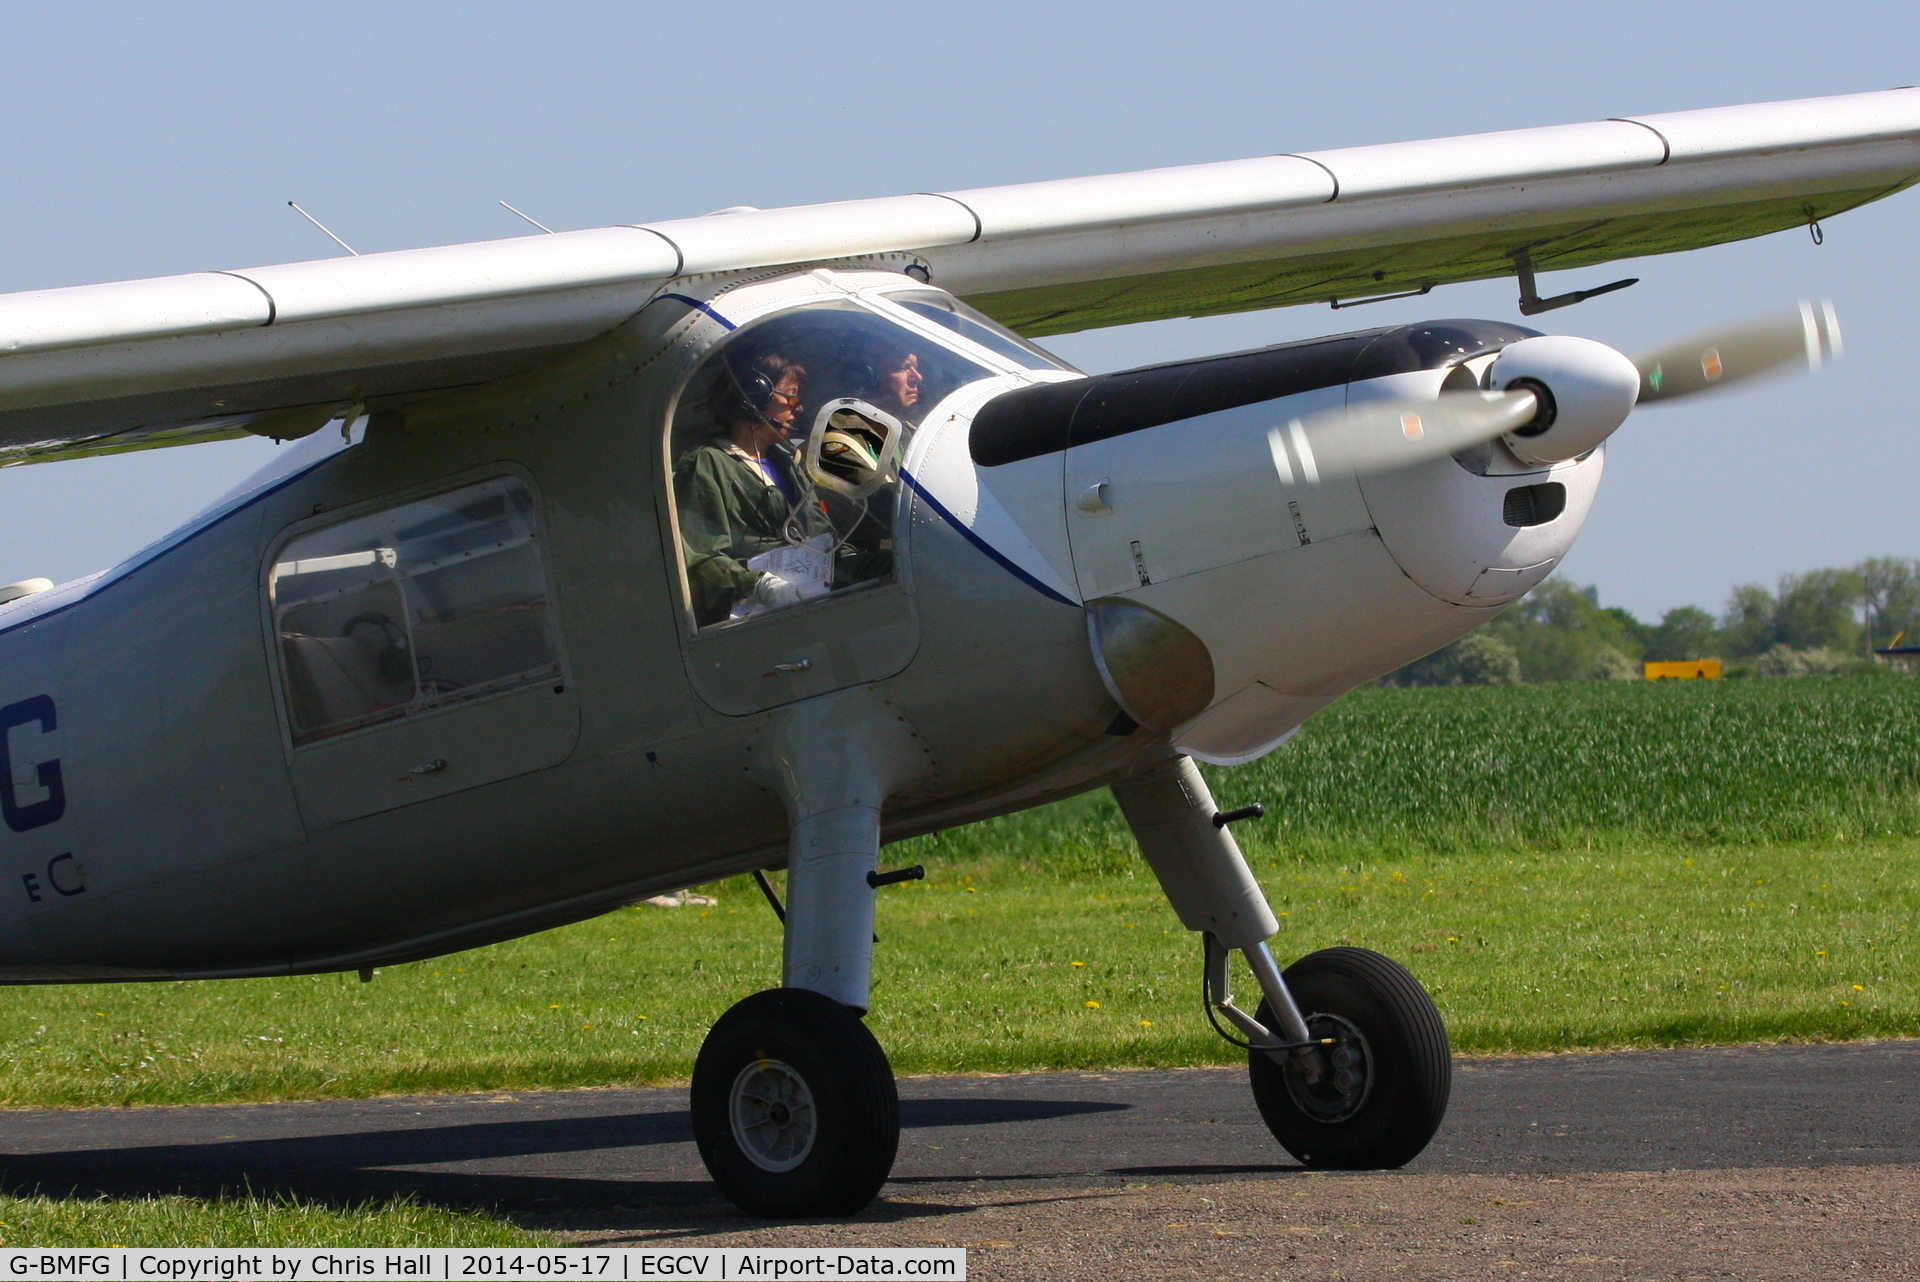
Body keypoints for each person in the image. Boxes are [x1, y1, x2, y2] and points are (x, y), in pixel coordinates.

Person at [673, 350, 824, 627]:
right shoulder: (706, 464)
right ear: (756, 397)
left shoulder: (788, 463)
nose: (799, 407)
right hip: (759, 616)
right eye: (791, 396)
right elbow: (701, 561)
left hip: (816, 594)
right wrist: (760, 584)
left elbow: (822, 531)